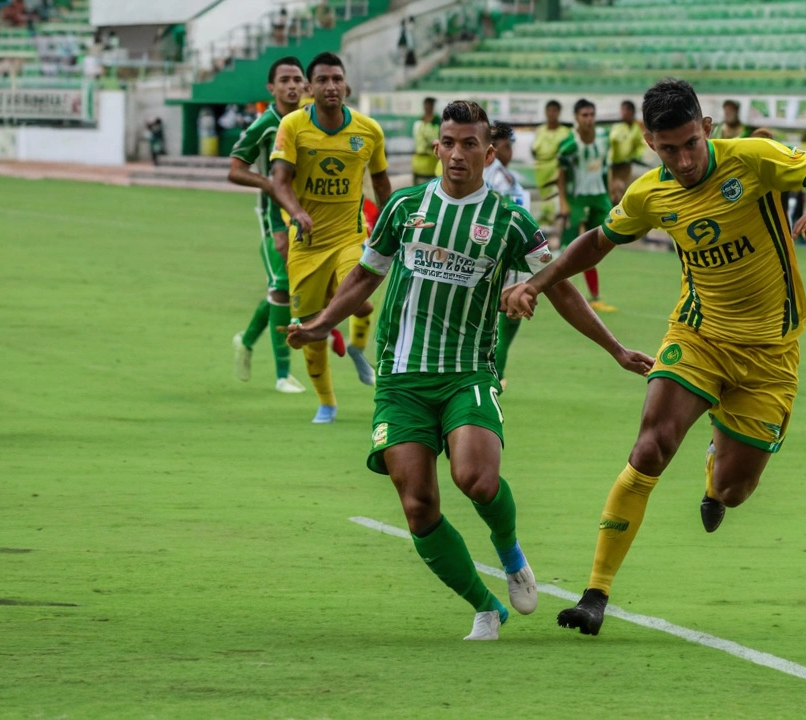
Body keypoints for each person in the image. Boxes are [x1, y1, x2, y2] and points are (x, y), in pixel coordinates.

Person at [504, 78, 806, 636]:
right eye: (668, 149)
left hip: (770, 353)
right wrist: (536, 281)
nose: (684, 159)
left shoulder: (754, 158)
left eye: (691, 143)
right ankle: (594, 593)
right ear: (649, 141)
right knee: (650, 445)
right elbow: (597, 241)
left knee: (735, 492)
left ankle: (716, 464)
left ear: (708, 129)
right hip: (698, 336)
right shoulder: (650, 193)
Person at [284, 101, 651, 640]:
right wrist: (320, 323)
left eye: (469, 144)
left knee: (476, 480)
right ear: (437, 148)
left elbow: (561, 288)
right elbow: (365, 277)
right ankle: (485, 607)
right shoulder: (404, 208)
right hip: (401, 378)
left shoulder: (508, 221)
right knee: (418, 506)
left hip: (467, 374)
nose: (457, 153)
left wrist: (615, 348)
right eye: (448, 143)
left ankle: (511, 555)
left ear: (489, 151)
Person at [270, 52, 392, 423]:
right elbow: (279, 181)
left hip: (350, 238)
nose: (330, 86)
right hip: (307, 244)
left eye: (336, 79)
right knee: (308, 328)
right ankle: (327, 402)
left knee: (363, 303)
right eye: (322, 80)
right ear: (310, 87)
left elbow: (382, 183)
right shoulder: (292, 126)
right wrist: (298, 213)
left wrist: (393, 228)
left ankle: (357, 347)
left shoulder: (368, 130)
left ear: (346, 85)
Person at [228, 57, 308, 395]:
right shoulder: (266, 124)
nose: (292, 86)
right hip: (275, 217)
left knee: (289, 289)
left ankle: (246, 341)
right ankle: (282, 375)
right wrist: (269, 185)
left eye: (297, 79)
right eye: (285, 80)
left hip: (308, 213)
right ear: (271, 88)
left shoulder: (311, 121)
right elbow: (235, 169)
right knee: (281, 288)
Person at [483, 121, 532, 389]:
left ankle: (495, 369)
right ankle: (492, 369)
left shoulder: (502, 175)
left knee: (512, 307)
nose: (511, 150)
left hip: (513, 249)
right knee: (506, 307)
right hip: (501, 251)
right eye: (507, 145)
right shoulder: (493, 176)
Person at [557, 98, 616, 312]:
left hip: (599, 197)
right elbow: (561, 175)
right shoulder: (569, 146)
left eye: (592, 115)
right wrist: (563, 202)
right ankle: (551, 287)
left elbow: (605, 167)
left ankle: (593, 297)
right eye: (584, 115)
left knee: (596, 244)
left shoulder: (604, 139)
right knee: (569, 247)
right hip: (577, 199)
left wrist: (610, 192)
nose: (589, 119)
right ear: (576, 118)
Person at [531, 100, 572, 223]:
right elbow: (534, 150)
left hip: (556, 172)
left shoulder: (565, 132)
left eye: (554, 111)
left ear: (559, 112)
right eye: (549, 110)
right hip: (540, 172)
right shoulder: (540, 130)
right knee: (541, 203)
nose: (551, 114)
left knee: (556, 204)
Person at [608, 99, 645, 202]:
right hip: (614, 164)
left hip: (627, 164)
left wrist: (637, 155)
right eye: (622, 110)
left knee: (623, 189)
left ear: (631, 112)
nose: (622, 113)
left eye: (624, 110)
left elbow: (639, 144)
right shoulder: (618, 126)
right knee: (614, 190)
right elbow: (612, 140)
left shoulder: (636, 128)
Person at [412, 97, 440, 186]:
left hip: (431, 164)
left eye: (431, 105)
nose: (428, 107)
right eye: (427, 105)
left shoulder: (437, 122)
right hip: (418, 164)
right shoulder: (418, 122)